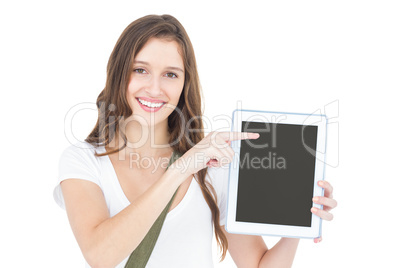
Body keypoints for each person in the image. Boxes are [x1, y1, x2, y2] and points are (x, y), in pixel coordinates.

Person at [53, 14, 337, 268]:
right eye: (140, 70)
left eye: (170, 74)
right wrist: (181, 168)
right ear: (119, 73)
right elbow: (100, 256)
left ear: (184, 84)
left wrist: (300, 222)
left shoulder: (213, 167)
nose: (154, 88)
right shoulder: (84, 161)